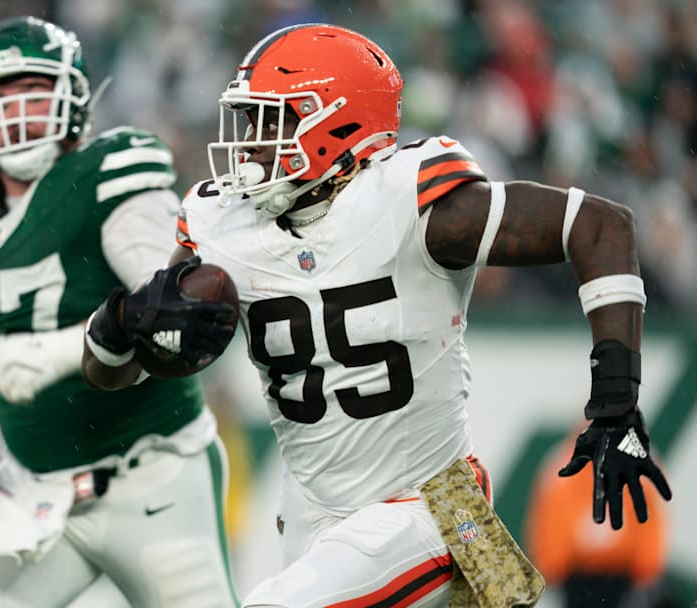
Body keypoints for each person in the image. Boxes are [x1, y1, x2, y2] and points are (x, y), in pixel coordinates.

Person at [82, 23, 673, 607]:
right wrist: (119, 323)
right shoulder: (221, 226)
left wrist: (616, 402)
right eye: (249, 120)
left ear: (340, 122)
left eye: (273, 120)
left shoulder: (411, 201)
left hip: (428, 503)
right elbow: (115, 371)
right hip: (311, 510)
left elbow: (598, 225)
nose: (251, 142)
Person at [0, 16, 237, 608]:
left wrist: (57, 351)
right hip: (27, 490)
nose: (13, 112)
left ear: (72, 98)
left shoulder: (113, 171)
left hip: (151, 476)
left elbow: (172, 307)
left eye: (31, 93)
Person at [526, 425, 671, 608]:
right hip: (581, 578)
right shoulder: (561, 471)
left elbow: (651, 526)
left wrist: (644, 569)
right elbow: (549, 532)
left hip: (616, 577)